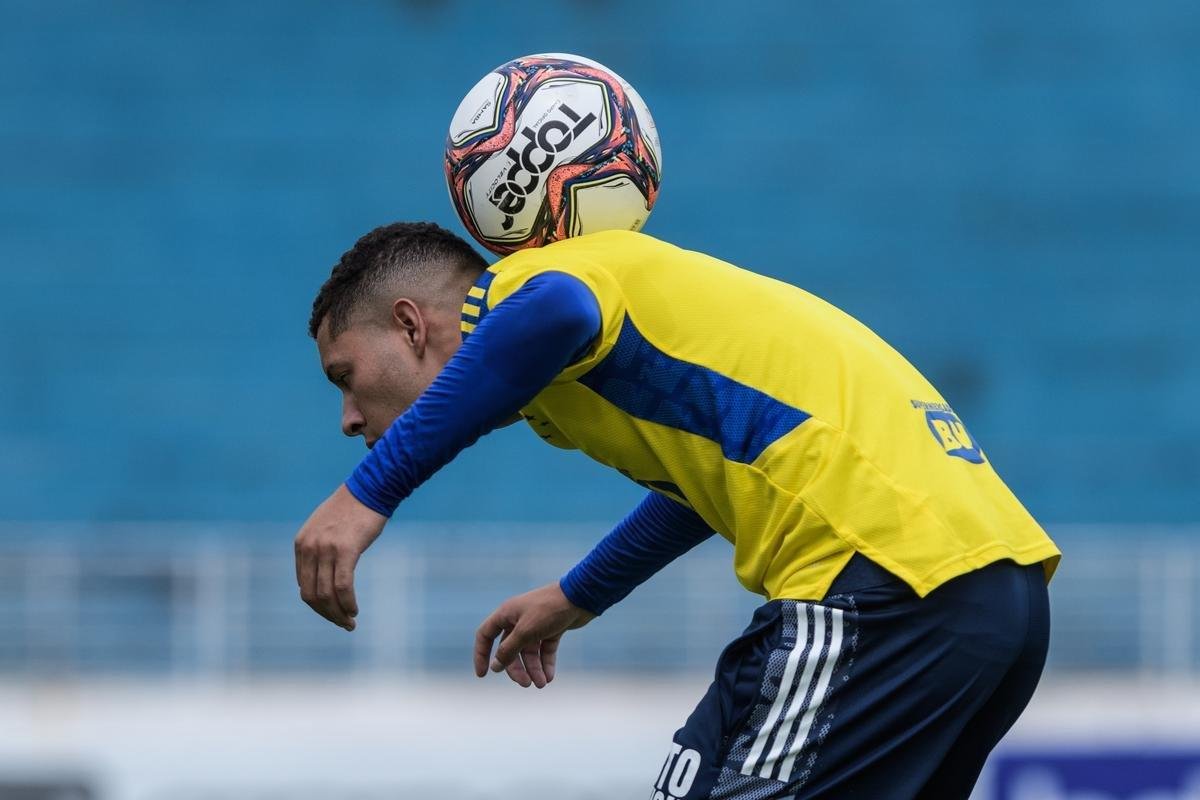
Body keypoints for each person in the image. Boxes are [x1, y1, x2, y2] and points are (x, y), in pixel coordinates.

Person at [294, 221, 1060, 800]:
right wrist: (579, 594)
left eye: (344, 376)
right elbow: (708, 482)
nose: (348, 418)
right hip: (981, 590)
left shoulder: (531, 288)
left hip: (885, 586)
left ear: (409, 323)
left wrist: (367, 494)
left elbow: (554, 309)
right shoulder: (566, 380)